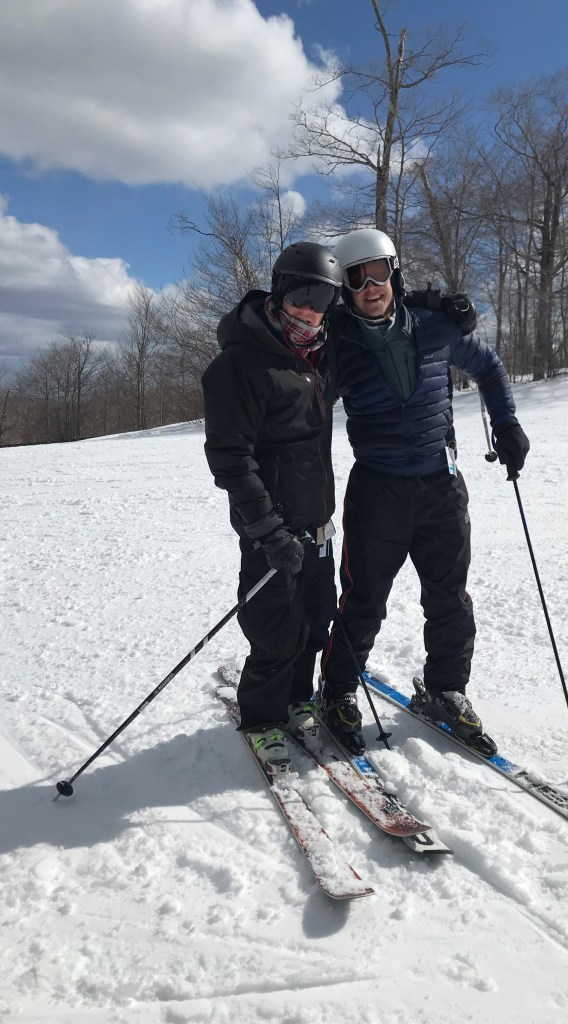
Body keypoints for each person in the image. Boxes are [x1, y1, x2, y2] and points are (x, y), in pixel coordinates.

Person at [318, 228, 529, 755]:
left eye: (378, 273)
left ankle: (446, 688)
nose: (370, 287)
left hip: (441, 484)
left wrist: (506, 423)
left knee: (449, 597)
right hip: (377, 491)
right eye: (356, 278)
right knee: (363, 600)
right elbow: (307, 411)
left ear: (394, 273)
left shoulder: (436, 326)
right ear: (344, 289)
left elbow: (489, 367)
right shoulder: (337, 346)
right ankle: (338, 690)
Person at [201, 242, 343, 773]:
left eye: (322, 300)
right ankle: (262, 717)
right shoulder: (238, 364)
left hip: (317, 524)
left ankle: (297, 698)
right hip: (272, 529)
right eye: (301, 294)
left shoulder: (317, 358)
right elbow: (230, 459)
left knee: (316, 619)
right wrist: (267, 529)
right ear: (279, 291)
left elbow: (379, 312)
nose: (310, 310)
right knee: (274, 627)